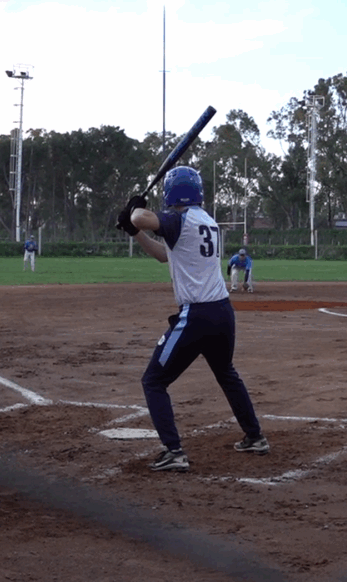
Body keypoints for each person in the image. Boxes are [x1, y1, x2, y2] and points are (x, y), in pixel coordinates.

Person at [116, 166, 269, 473]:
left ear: (171, 194)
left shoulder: (178, 218)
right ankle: (255, 436)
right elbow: (164, 255)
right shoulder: (207, 221)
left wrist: (135, 212)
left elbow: (141, 217)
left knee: (153, 381)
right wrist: (136, 232)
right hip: (223, 313)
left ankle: (173, 451)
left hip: (197, 315)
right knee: (226, 372)